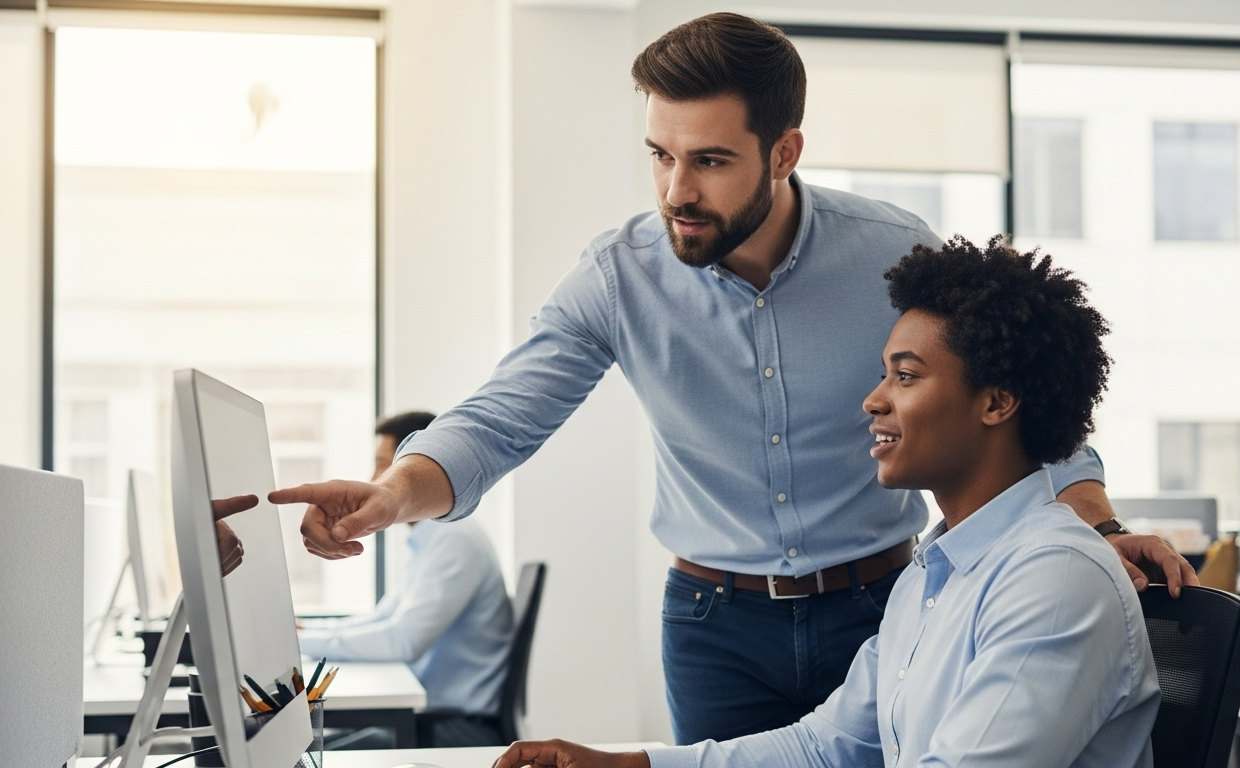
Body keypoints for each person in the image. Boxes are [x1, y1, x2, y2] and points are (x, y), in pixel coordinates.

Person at [270, 13, 1193, 744]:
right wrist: (390, 499)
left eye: (709, 160)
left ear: (783, 153)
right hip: (715, 624)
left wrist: (1092, 527)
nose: (677, 189)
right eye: (662, 156)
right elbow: (502, 419)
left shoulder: (890, 249)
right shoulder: (618, 275)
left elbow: (1017, 380)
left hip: (884, 603)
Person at [492, 236, 1162, 768]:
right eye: (883, 373)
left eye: (905, 375)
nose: (873, 400)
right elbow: (825, 748)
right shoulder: (936, 574)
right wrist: (631, 766)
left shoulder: (1054, 578)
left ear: (996, 402)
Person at [297, 411, 513, 747]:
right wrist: (308, 632)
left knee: (301, 754)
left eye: (383, 467)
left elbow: (404, 641)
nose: (373, 479)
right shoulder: (430, 538)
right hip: (430, 719)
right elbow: (383, 620)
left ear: (413, 469)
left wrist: (300, 643)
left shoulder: (454, 539)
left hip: (456, 730)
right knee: (307, 746)